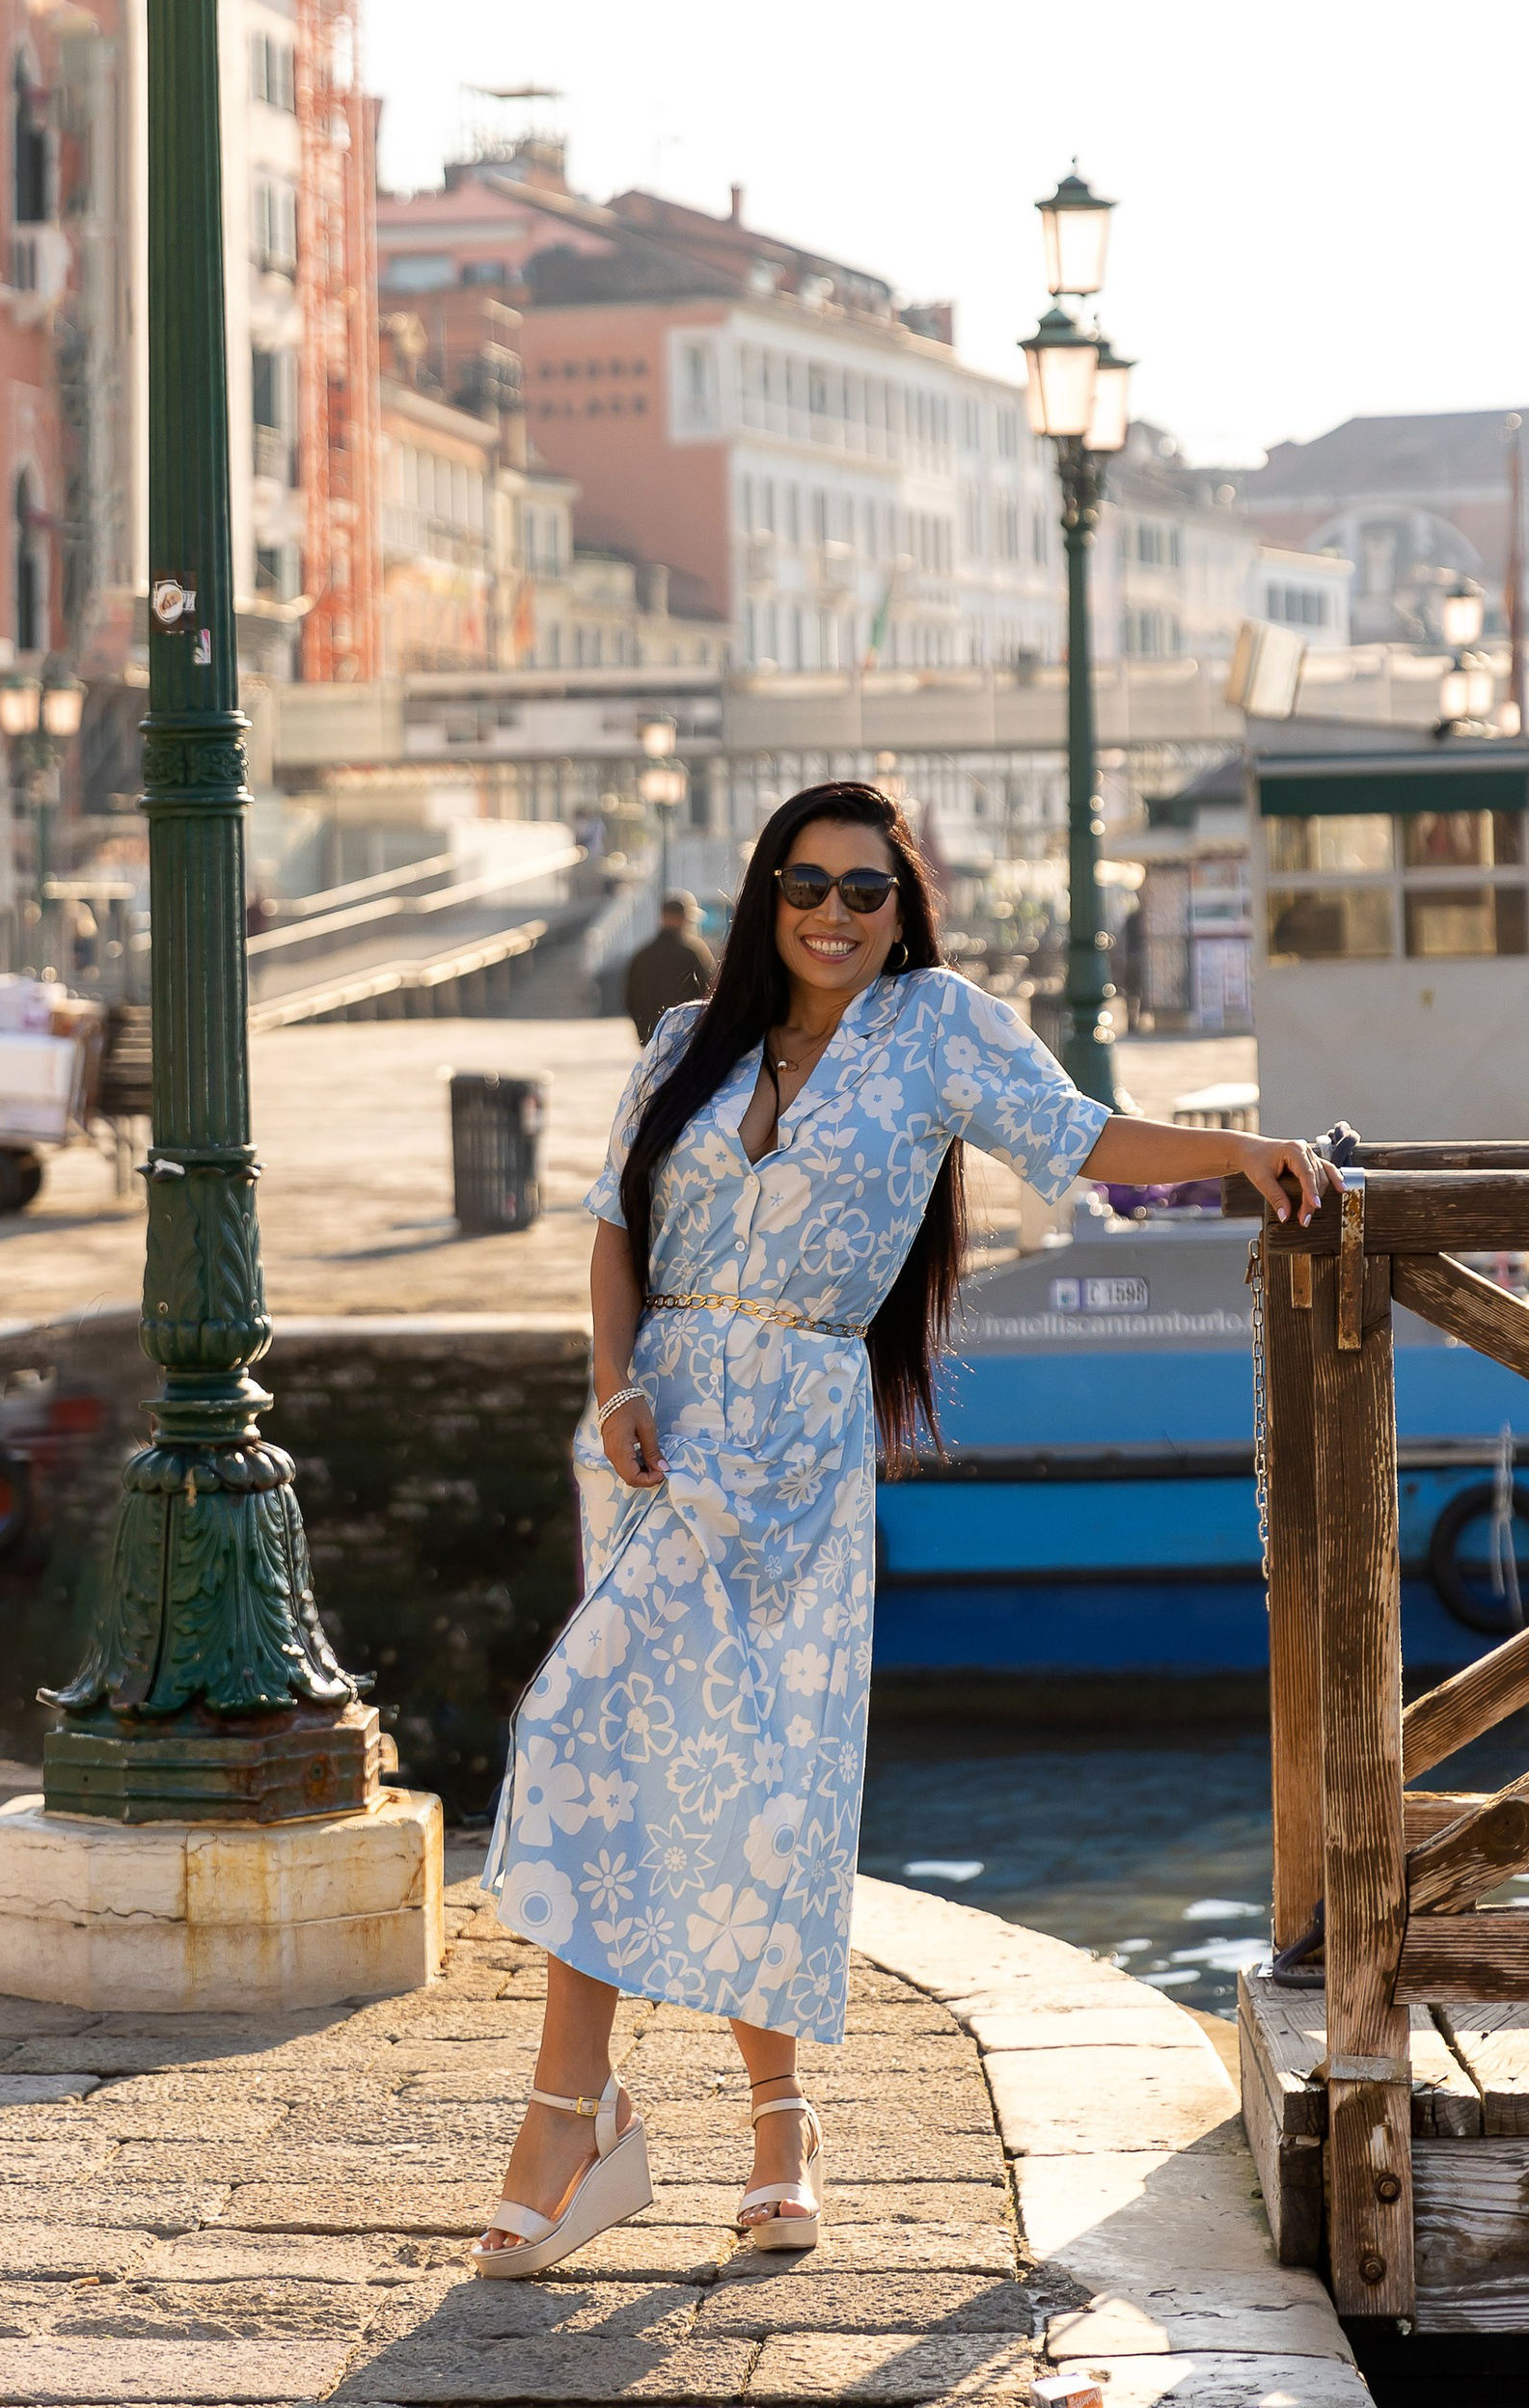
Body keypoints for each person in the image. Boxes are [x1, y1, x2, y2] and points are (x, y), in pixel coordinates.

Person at [472, 778, 1326, 2276]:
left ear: (900, 907)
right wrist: (613, 1388)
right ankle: (578, 2113)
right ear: (767, 895)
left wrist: (1236, 1150)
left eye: (865, 890)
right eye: (807, 884)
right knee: (591, 1736)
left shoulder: (938, 1029)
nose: (834, 914)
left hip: (799, 1438)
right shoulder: (686, 1041)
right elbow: (615, 1223)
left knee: (769, 1780)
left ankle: (770, 2123)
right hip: (665, 1433)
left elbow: (1078, 1134)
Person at [622, 891, 714, 1044]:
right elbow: (709, 993)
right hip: (687, 1039)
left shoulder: (641, 956)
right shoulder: (693, 953)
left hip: (652, 1041)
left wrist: (644, 1033)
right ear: (683, 919)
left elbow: (630, 1000)